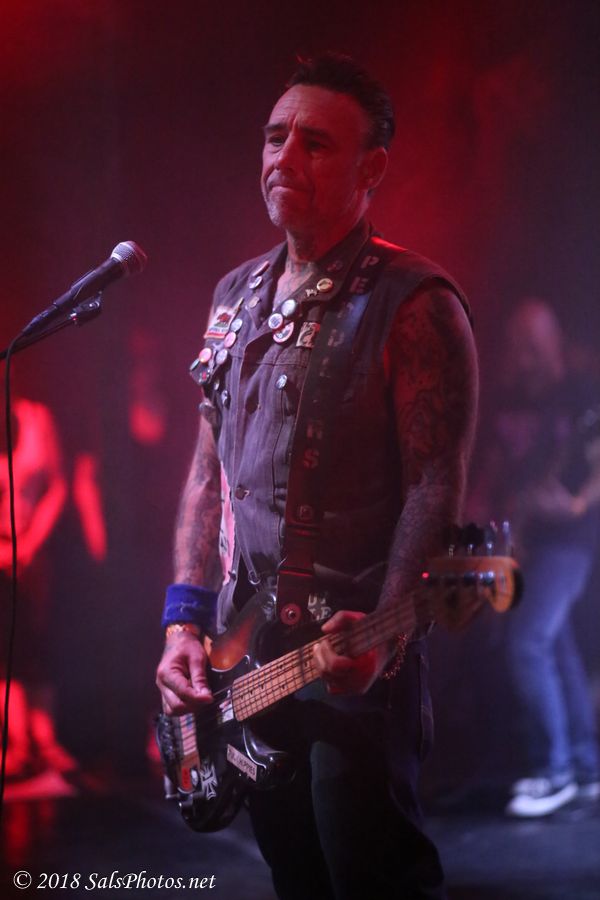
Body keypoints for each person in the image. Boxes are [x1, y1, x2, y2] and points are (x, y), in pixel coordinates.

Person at [156, 54, 477, 899]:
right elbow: (206, 474)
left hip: (350, 661)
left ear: (373, 169)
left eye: (316, 143)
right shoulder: (235, 295)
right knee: (296, 879)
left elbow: (435, 485)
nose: (284, 157)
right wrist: (184, 624)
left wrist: (387, 635)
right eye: (274, 137)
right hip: (246, 655)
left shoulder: (416, 301)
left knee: (373, 878)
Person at [471, 298, 600, 817]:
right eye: (518, 346)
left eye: (535, 345)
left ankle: (554, 770)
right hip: (524, 541)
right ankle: (585, 768)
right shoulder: (507, 399)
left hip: (572, 539)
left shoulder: (580, 393)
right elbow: (491, 473)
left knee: (528, 641)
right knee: (555, 645)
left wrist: (578, 502)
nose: (526, 357)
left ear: (553, 343)